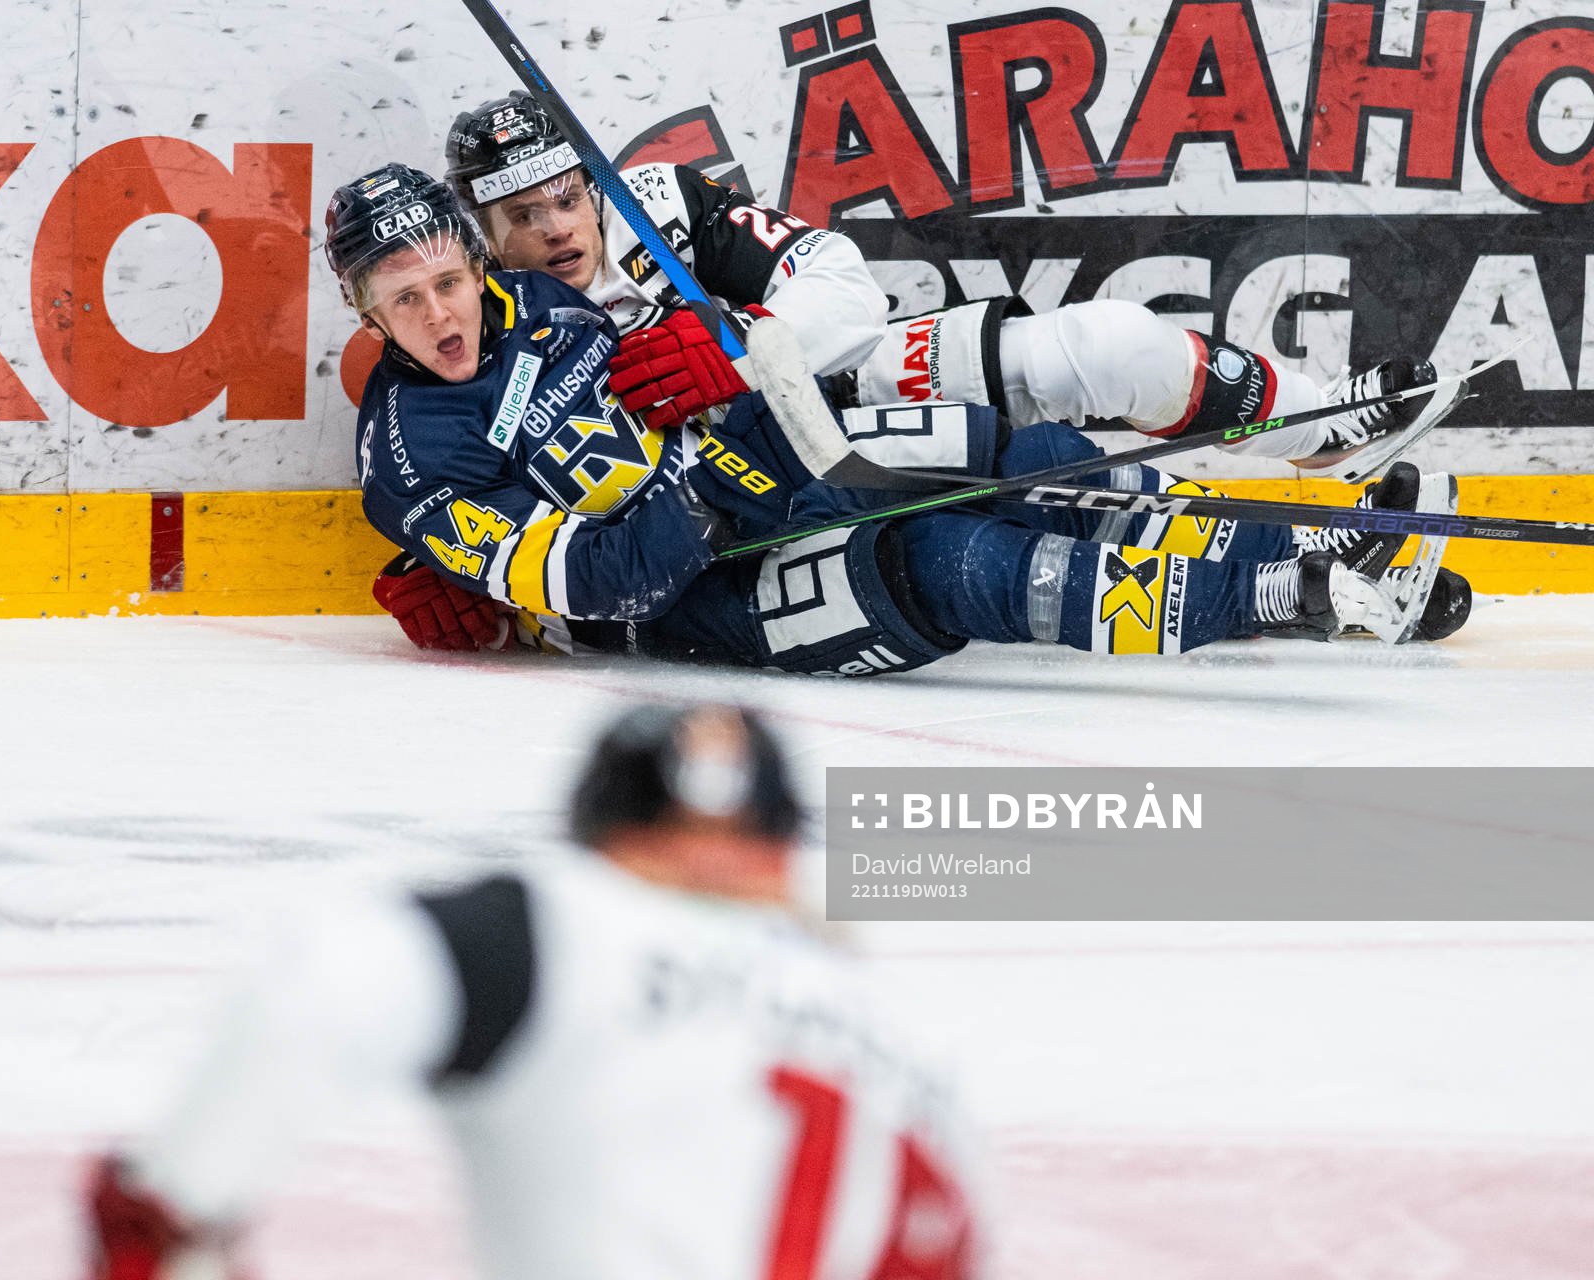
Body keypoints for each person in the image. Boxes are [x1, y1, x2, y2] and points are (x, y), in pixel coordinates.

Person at [332, 162, 1461, 677]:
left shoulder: (539, 287)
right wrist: (480, 570)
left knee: (1040, 462)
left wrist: (737, 357)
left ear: (475, 260)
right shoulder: (407, 457)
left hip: (775, 456)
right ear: (362, 307)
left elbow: (802, 302)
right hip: (700, 586)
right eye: (401, 298)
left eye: (445, 281)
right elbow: (602, 582)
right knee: (953, 560)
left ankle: (1322, 547)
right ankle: (1294, 590)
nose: (438, 315)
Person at [86, 702, 985, 1280]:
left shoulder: (560, 924)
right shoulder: (905, 1037)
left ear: (598, 834)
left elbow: (323, 986)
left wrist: (170, 1220)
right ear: (785, 852)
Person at [441, 91, 1464, 486]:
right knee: (1070, 489)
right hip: (731, 493)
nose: (553, 228)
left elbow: (842, 289)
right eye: (517, 217)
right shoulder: (476, 313)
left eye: (562, 197)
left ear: (590, 180)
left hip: (843, 388)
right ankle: (1306, 574)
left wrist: (745, 351)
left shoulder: (661, 203)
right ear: (483, 231)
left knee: (1114, 344)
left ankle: (1325, 430)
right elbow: (461, 460)